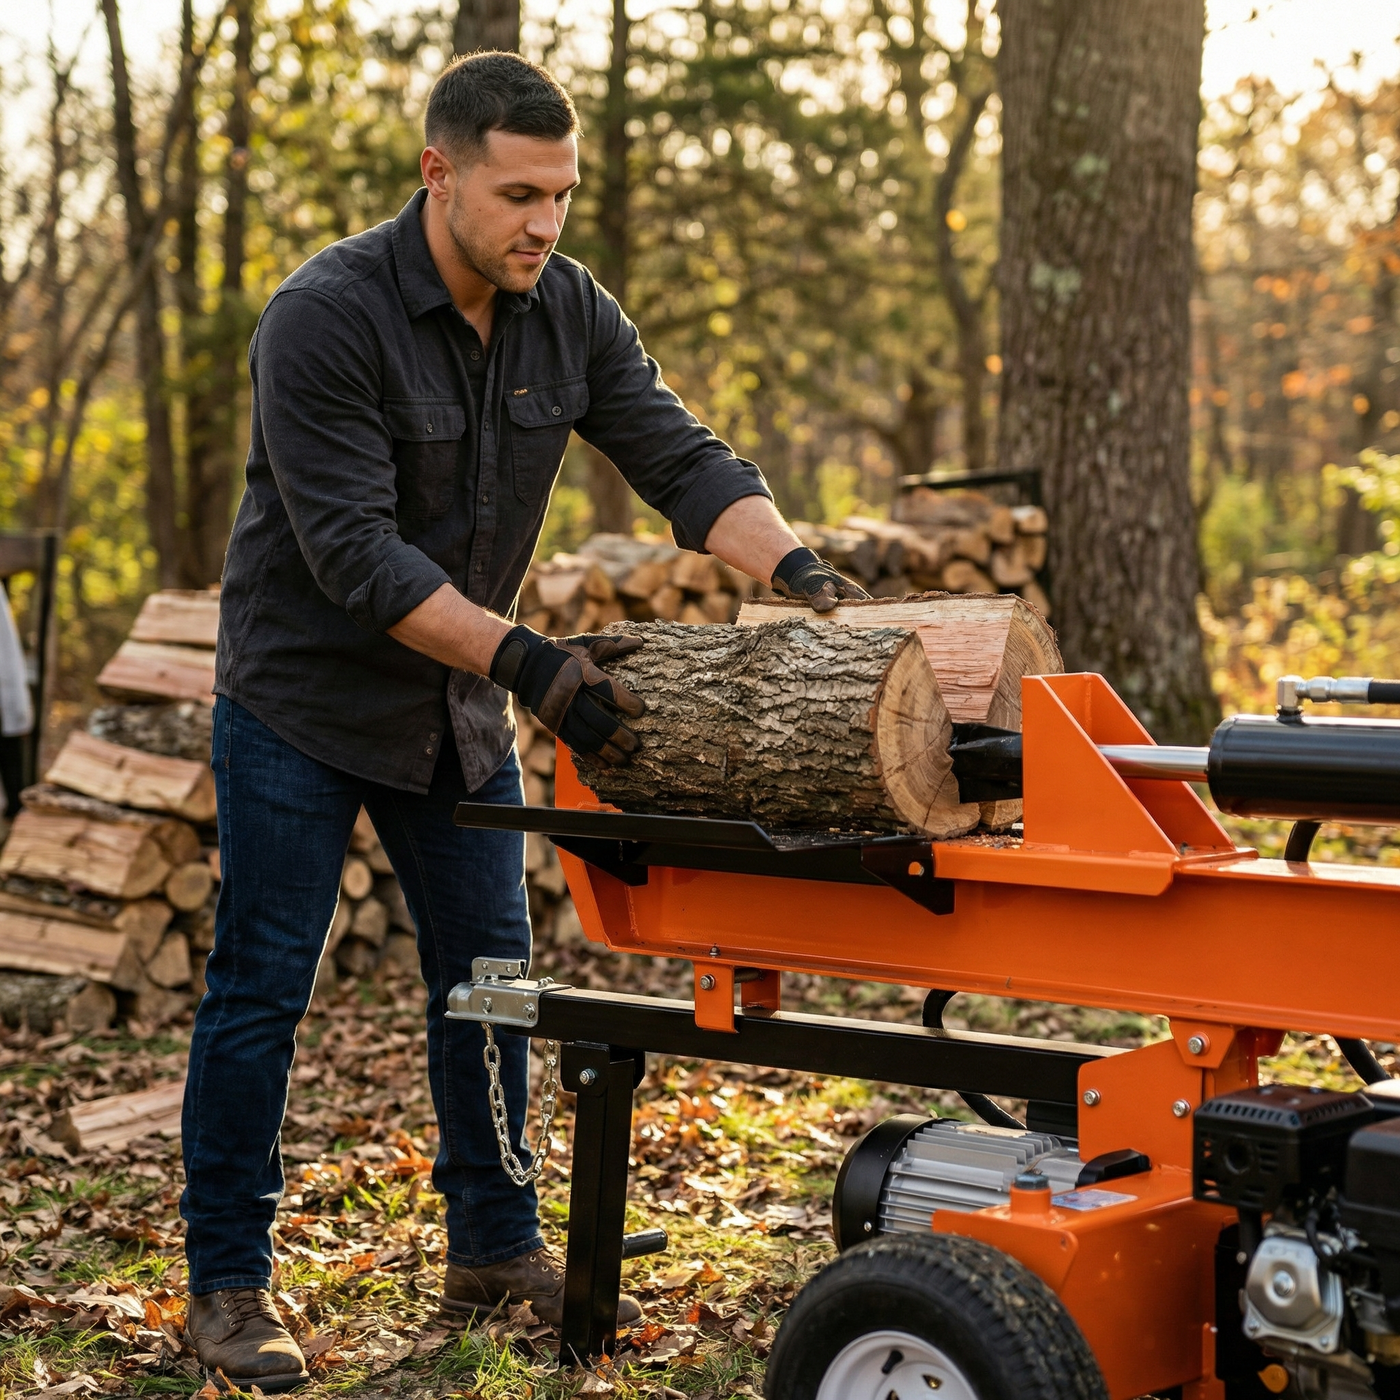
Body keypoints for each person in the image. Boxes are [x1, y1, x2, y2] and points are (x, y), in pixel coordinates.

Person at [180, 50, 865, 1391]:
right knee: (262, 988)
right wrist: (536, 667)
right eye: (518, 195)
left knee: (489, 980)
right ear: (438, 175)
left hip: (452, 705)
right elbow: (357, 560)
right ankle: (226, 1282)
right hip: (301, 702)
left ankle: (493, 1247)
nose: (544, 223)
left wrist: (799, 574)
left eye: (561, 196)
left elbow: (680, 459)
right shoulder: (324, 317)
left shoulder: (567, 309)